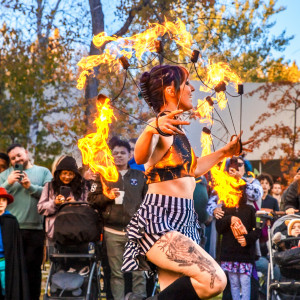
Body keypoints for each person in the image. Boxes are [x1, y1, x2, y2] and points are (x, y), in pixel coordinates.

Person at [120, 65, 253, 300]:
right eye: (187, 84)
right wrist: (152, 128)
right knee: (215, 280)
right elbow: (140, 157)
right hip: (160, 219)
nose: (192, 89)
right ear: (171, 90)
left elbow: (193, 169)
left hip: (183, 218)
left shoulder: (176, 130)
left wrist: (225, 152)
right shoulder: (160, 126)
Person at [88, 139, 148, 300]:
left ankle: (139, 298)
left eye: (123, 153)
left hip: (136, 232)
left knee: (139, 272)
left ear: (130, 155)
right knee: (116, 273)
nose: (119, 156)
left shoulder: (141, 176)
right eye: (115, 153)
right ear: (111, 156)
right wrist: (106, 197)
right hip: (112, 232)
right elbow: (92, 199)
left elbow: (148, 202)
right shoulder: (103, 176)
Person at [0, 143, 52, 300]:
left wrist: (30, 187)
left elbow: (51, 195)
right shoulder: (5, 175)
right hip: (10, 229)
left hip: (35, 229)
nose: (17, 159)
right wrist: (8, 183)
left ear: (27, 153)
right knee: (12, 269)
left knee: (33, 270)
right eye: (13, 158)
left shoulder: (42, 172)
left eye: (19, 155)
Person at [216, 187, 261, 300]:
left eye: (238, 193)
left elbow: (258, 229)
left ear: (242, 194)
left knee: (245, 283)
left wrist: (247, 239)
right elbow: (219, 228)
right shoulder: (224, 209)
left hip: (245, 255)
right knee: (234, 283)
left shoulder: (250, 209)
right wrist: (229, 218)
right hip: (229, 255)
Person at [38, 156, 89, 255]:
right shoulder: (49, 187)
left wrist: (76, 204)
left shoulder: (82, 188)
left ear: (75, 174)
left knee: (76, 261)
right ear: (59, 173)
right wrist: (55, 203)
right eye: (64, 173)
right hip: (54, 233)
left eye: (71, 174)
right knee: (55, 261)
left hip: (76, 231)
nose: (67, 176)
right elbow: (40, 208)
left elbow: (89, 208)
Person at [0, 187, 29, 300]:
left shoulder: (11, 221)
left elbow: (15, 247)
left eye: (3, 200)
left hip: (6, 262)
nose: (0, 203)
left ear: (7, 202)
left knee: (6, 289)